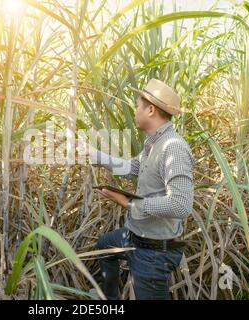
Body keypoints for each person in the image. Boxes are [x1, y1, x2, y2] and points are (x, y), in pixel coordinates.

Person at [87, 79, 195, 300]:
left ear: (151, 110)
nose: (135, 110)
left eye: (137, 106)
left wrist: (130, 203)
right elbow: (131, 167)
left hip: (154, 252)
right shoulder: (154, 143)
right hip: (135, 236)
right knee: (105, 246)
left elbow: (181, 204)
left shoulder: (172, 147)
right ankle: (110, 297)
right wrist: (93, 154)